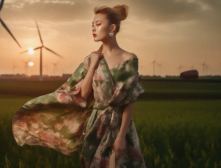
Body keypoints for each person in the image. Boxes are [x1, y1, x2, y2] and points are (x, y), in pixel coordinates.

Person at [12, 4, 146, 168]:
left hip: (120, 125)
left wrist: (121, 136)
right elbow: (83, 95)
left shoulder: (129, 59)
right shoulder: (91, 59)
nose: (93, 28)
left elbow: (129, 101)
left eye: (98, 24)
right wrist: (92, 66)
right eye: (92, 25)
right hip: (96, 125)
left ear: (112, 27)